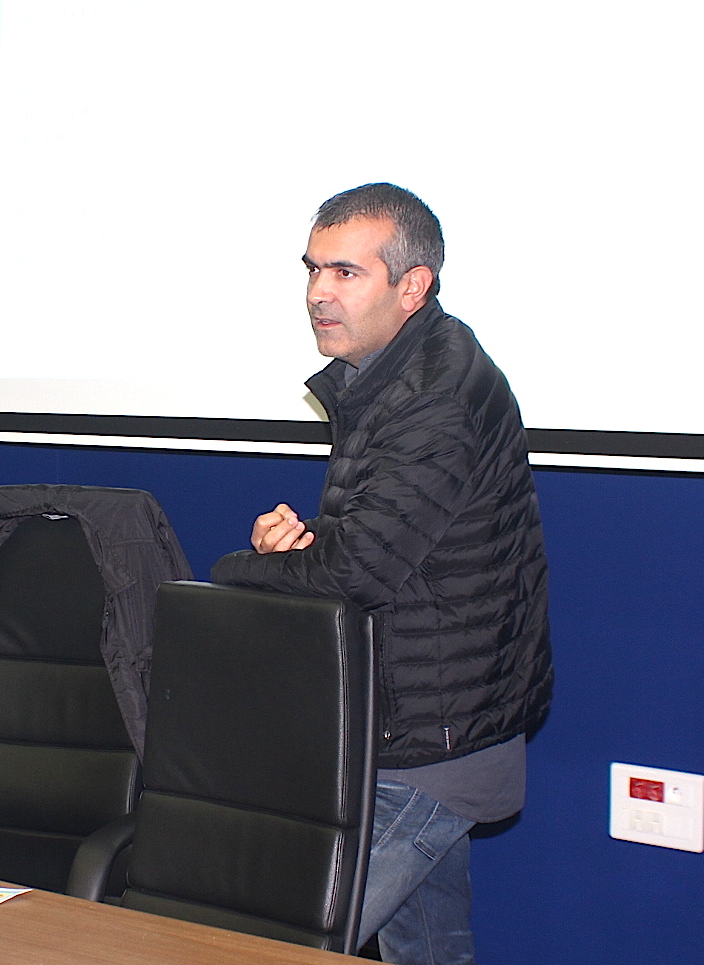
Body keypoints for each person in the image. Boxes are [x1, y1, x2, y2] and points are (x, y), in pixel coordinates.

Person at [211, 183, 552, 965]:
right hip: (421, 721)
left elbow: (359, 571)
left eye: (343, 272)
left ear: (411, 285)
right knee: (426, 949)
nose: (317, 294)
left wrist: (244, 572)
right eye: (310, 270)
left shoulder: (432, 397)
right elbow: (398, 545)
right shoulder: (395, 376)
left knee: (274, 939)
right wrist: (302, 553)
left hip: (433, 743)